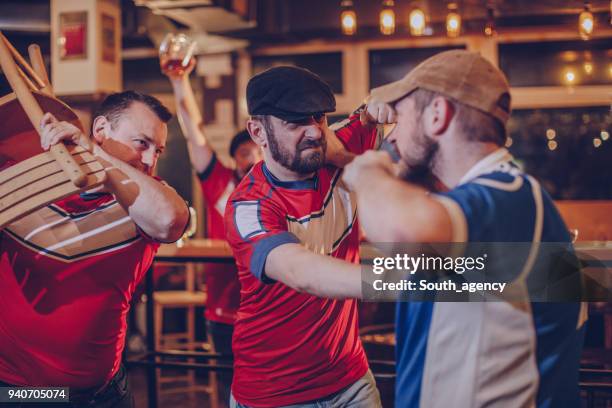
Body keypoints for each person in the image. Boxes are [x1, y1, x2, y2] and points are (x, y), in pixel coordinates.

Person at [303, 50, 584, 407]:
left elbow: (400, 231)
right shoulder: (470, 215)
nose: (391, 139)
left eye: (399, 118)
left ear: (438, 115)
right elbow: (393, 268)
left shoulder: (513, 196)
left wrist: (366, 170)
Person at [0, 91, 190, 407]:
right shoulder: (19, 184)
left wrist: (88, 150)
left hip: (105, 393)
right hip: (25, 393)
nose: (149, 160)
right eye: (141, 143)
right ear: (101, 130)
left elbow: (169, 220)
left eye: (157, 150)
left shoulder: (143, 199)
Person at [224, 66, 386, 407]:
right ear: (258, 131)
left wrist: (383, 101)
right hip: (275, 395)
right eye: (294, 122)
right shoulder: (249, 204)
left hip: (351, 380)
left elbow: (376, 107)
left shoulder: (336, 146)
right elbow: (301, 272)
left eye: (319, 117)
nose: (314, 131)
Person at [166, 59, 262, 405]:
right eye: (243, 153)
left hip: (267, 311)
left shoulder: (282, 189)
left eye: (257, 151)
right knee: (227, 389)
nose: (251, 158)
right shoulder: (221, 184)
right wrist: (179, 82)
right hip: (223, 311)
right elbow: (195, 132)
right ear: (234, 159)